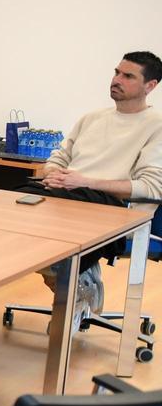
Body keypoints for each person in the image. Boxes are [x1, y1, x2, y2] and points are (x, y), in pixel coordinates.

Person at [28, 51, 162, 323]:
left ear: (151, 85)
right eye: (116, 72)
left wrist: (84, 181)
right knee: (16, 201)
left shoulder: (156, 126)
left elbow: (151, 188)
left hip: (114, 206)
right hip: (67, 193)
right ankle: (79, 278)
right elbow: (58, 158)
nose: (116, 79)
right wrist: (53, 174)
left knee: (54, 217)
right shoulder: (91, 118)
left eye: (127, 76)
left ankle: (79, 279)